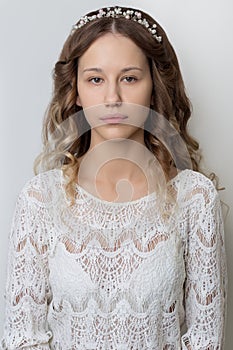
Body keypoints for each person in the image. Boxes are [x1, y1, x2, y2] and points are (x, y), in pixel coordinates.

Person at [1, 5, 227, 350]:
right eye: (95, 79)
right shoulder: (40, 199)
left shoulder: (194, 198)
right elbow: (22, 338)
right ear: (75, 91)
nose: (112, 98)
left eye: (129, 78)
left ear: (154, 86)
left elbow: (204, 341)